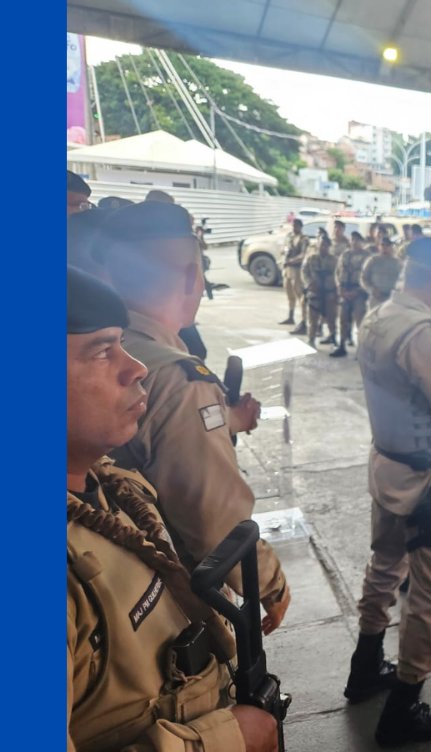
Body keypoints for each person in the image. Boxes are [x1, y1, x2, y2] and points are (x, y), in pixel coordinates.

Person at [66, 266, 278, 752]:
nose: (135, 367)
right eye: (101, 351)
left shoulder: (109, 484)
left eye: (122, 342)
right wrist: (223, 740)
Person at [101, 202, 291, 636]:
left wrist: (228, 421)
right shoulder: (176, 376)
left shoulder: (93, 344)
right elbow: (214, 518)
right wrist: (269, 582)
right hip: (161, 591)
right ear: (192, 276)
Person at [350, 237, 431, 745]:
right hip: (427, 480)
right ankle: (402, 710)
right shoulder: (424, 334)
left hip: (387, 463)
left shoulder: (379, 315)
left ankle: (364, 670)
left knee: (384, 565)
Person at [332, 231, 371, 357]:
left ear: (362, 242)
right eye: (353, 239)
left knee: (360, 322)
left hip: (359, 293)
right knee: (343, 320)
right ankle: (342, 345)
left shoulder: (368, 257)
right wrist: (339, 287)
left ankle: (361, 351)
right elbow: (337, 272)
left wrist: (358, 291)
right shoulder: (345, 255)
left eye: (357, 240)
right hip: (345, 291)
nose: (354, 242)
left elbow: (368, 278)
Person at [302, 234, 339, 347]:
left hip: (329, 293)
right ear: (318, 245)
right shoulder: (311, 258)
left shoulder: (334, 260)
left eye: (326, 245)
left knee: (331, 317)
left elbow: (339, 275)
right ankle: (311, 338)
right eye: (322, 244)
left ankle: (333, 336)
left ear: (329, 246)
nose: (324, 247)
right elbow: (304, 272)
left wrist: (336, 289)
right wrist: (309, 284)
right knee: (313, 318)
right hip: (315, 292)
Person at [280, 218, 309, 327]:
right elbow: (284, 248)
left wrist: (291, 260)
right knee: (289, 294)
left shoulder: (303, 239)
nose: (294, 227)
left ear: (300, 227)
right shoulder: (289, 236)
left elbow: (303, 255)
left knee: (300, 295)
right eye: (293, 225)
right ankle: (290, 316)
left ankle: (304, 320)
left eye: (296, 226)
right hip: (287, 269)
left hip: (297, 269)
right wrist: (283, 253)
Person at [362, 234, 403, 310]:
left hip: (391, 299)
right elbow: (363, 278)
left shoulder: (398, 263)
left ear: (392, 247)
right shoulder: (372, 260)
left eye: (387, 245)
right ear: (379, 246)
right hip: (375, 298)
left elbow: (402, 281)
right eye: (382, 245)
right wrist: (371, 290)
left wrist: (397, 292)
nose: (385, 247)